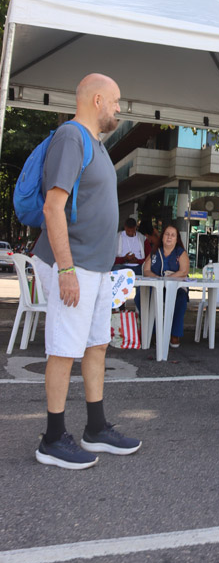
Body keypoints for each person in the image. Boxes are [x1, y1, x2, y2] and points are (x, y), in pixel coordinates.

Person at [33, 73, 141, 470]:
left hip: (96, 268)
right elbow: (52, 207)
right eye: (115, 101)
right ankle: (52, 439)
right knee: (64, 348)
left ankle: (95, 428)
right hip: (73, 263)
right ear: (97, 100)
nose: (118, 109)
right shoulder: (71, 138)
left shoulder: (94, 145)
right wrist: (65, 269)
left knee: (96, 345)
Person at [143, 223, 190, 348]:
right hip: (157, 286)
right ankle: (155, 332)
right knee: (140, 298)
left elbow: (184, 271)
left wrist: (167, 279)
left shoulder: (180, 252)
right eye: (167, 234)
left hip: (175, 287)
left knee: (181, 299)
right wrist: (158, 279)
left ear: (176, 238)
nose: (169, 237)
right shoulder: (154, 251)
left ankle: (175, 334)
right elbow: (146, 270)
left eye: (173, 235)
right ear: (162, 237)